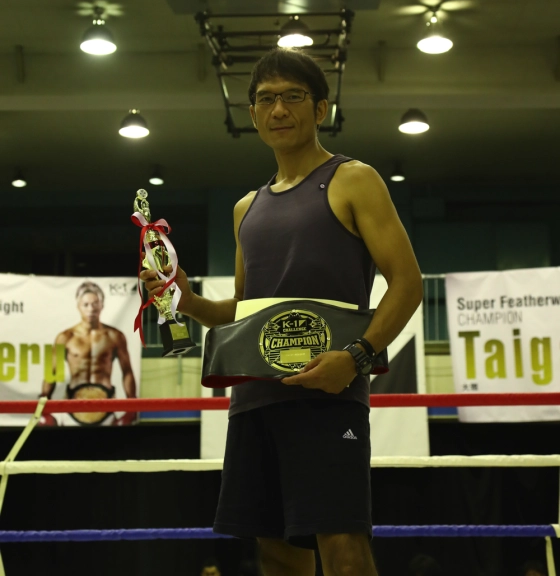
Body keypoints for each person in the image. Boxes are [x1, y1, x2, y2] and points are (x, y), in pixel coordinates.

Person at [142, 48, 424, 576]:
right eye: (266, 99)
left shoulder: (354, 179)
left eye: (292, 96)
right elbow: (243, 313)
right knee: (274, 551)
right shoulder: (245, 209)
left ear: (321, 109)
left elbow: (408, 284)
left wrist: (357, 357)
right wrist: (184, 298)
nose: (278, 109)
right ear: (251, 114)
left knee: (342, 545)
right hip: (255, 400)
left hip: (329, 396)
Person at [40, 280, 137, 425]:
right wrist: (43, 407)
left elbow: (127, 371)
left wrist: (132, 407)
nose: (91, 309)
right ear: (78, 306)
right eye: (85, 304)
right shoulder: (64, 337)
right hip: (73, 405)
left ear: (102, 305)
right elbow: (51, 373)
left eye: (95, 303)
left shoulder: (115, 336)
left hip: (106, 405)